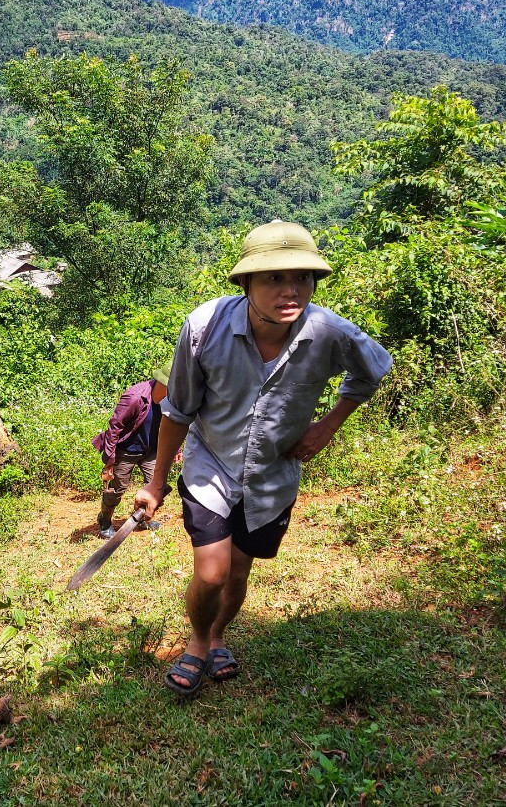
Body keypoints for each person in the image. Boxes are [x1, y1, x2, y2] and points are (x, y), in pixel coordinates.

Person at [134, 221, 393, 696]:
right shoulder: (205, 328)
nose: (290, 290)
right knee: (211, 573)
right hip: (211, 464)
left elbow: (373, 369)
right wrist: (154, 485)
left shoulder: (330, 332)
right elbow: (178, 410)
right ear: (246, 283)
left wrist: (327, 425)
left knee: (238, 570)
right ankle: (196, 642)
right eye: (273, 278)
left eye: (302, 277)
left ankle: (217, 636)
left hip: (273, 475)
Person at [91, 361, 172, 539]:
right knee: (117, 489)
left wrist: (177, 448)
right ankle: (104, 519)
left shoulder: (172, 400)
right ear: (163, 382)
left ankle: (142, 517)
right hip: (125, 450)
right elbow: (115, 427)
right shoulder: (135, 396)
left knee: (157, 485)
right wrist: (109, 460)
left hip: (149, 450)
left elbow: (173, 424)